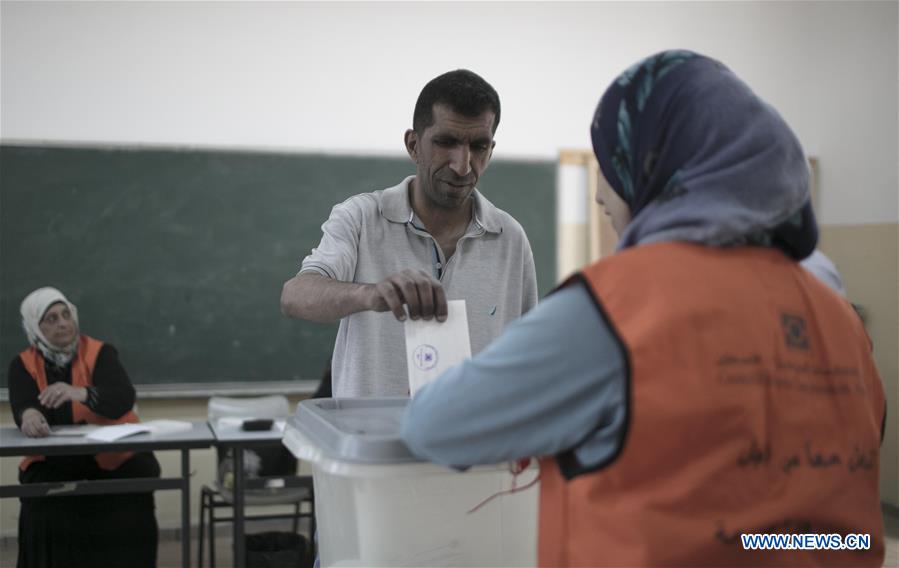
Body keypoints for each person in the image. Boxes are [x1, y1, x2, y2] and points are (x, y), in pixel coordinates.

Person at [402, 51, 886, 566]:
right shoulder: (837, 317)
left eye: (613, 164)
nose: (602, 198)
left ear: (655, 168)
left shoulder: (618, 306)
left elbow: (435, 426)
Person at [281, 69, 538, 397]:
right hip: (374, 443)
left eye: (479, 146)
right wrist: (371, 295)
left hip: (474, 444)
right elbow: (295, 295)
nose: (463, 165)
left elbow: (528, 356)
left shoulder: (509, 238)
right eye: (446, 143)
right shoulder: (362, 218)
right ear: (414, 145)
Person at [8, 287, 160, 568]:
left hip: (113, 458)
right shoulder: (22, 365)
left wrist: (80, 393)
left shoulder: (100, 353)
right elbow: (23, 404)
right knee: (43, 491)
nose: (63, 323)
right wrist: (30, 416)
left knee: (140, 473)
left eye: (66, 314)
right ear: (35, 327)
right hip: (58, 461)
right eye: (51, 319)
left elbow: (123, 397)